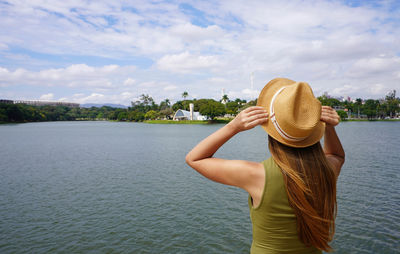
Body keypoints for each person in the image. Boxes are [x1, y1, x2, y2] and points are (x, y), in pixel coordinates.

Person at [185, 78, 345, 253]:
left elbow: (195, 158)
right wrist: (329, 127)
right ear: (314, 128)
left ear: (271, 130)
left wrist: (234, 126)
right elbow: (336, 155)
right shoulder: (326, 170)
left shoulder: (258, 175)